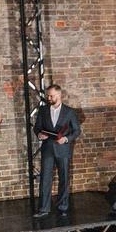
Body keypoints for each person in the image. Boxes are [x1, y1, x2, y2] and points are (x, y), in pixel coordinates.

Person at [31, 84, 82, 217]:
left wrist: (66, 139)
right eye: (47, 95)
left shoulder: (69, 112)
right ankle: (43, 209)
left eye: (51, 96)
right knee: (45, 179)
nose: (48, 98)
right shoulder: (43, 111)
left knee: (64, 179)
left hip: (63, 149)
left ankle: (62, 208)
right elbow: (37, 128)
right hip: (47, 149)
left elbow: (77, 130)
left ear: (59, 96)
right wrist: (39, 135)